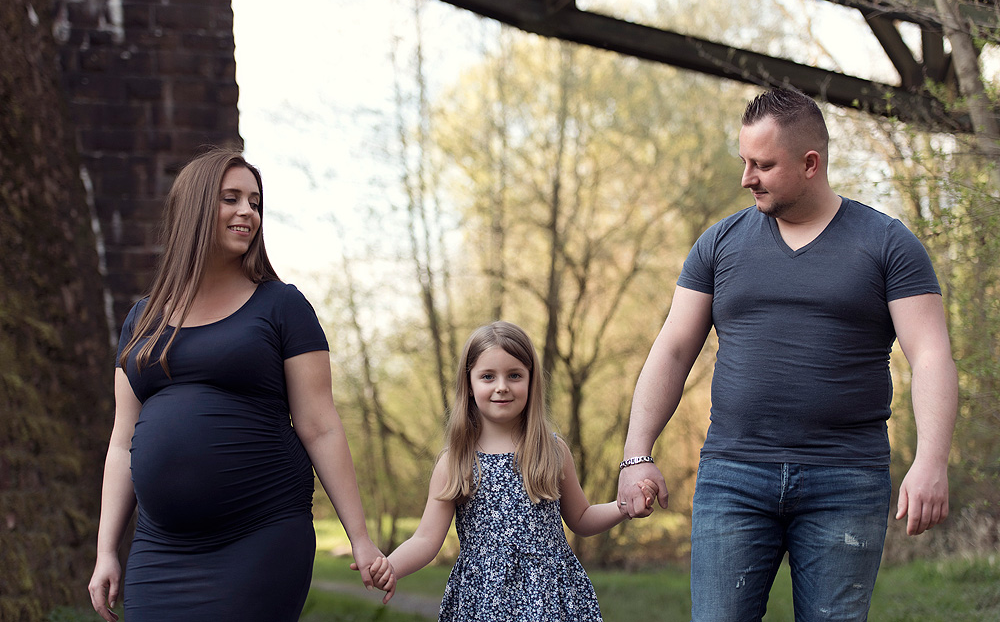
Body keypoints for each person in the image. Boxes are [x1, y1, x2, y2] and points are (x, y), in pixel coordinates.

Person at [617, 88, 958, 620]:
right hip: (733, 476)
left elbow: (932, 355)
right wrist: (637, 454)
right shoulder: (719, 244)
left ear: (810, 164)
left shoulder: (888, 243)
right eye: (744, 161)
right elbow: (675, 348)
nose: (746, 177)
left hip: (845, 480)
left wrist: (931, 460)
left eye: (763, 164)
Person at [87, 149, 387, 622]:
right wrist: (106, 550)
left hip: (261, 535)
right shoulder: (140, 320)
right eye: (232, 199)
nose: (248, 212)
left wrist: (361, 537)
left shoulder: (282, 306)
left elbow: (320, 426)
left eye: (255, 202)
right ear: (195, 208)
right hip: (159, 548)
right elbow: (123, 443)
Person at [360, 321, 657, 619]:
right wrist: (392, 567)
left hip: (549, 597)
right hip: (482, 600)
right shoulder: (456, 462)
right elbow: (425, 539)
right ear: (470, 385)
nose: (502, 386)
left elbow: (580, 518)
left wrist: (623, 507)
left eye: (514, 375)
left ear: (531, 381)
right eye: (488, 376)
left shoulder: (552, 451)